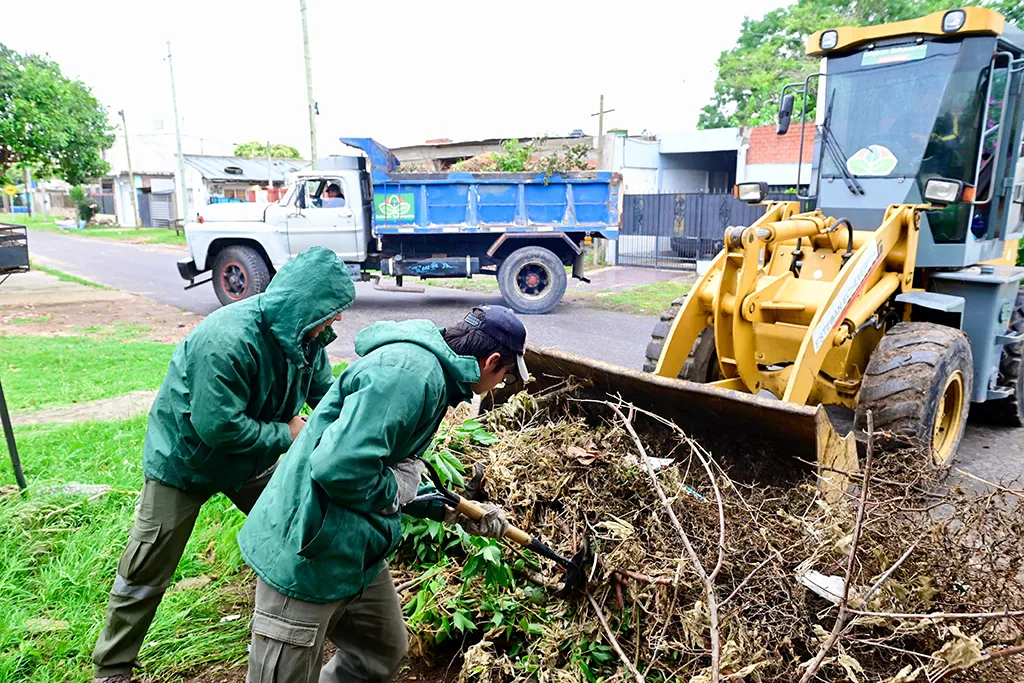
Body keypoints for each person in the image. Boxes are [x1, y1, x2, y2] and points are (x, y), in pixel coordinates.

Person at [92, 246, 356, 683]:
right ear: (304, 303)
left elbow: (324, 394)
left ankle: (314, 628)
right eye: (332, 310)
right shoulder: (227, 338)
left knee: (300, 531)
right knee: (146, 565)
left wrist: (351, 424)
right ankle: (113, 666)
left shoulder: (306, 336)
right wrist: (285, 434)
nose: (339, 321)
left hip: (249, 462)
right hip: (185, 463)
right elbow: (217, 427)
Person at [238, 305, 529, 683]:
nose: (501, 383)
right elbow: (338, 467)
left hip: (355, 544)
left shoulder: (434, 376)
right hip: (308, 547)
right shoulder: (409, 376)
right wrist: (395, 490)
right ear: (492, 361)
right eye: (505, 376)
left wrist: (451, 510)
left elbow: (386, 466)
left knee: (379, 651)